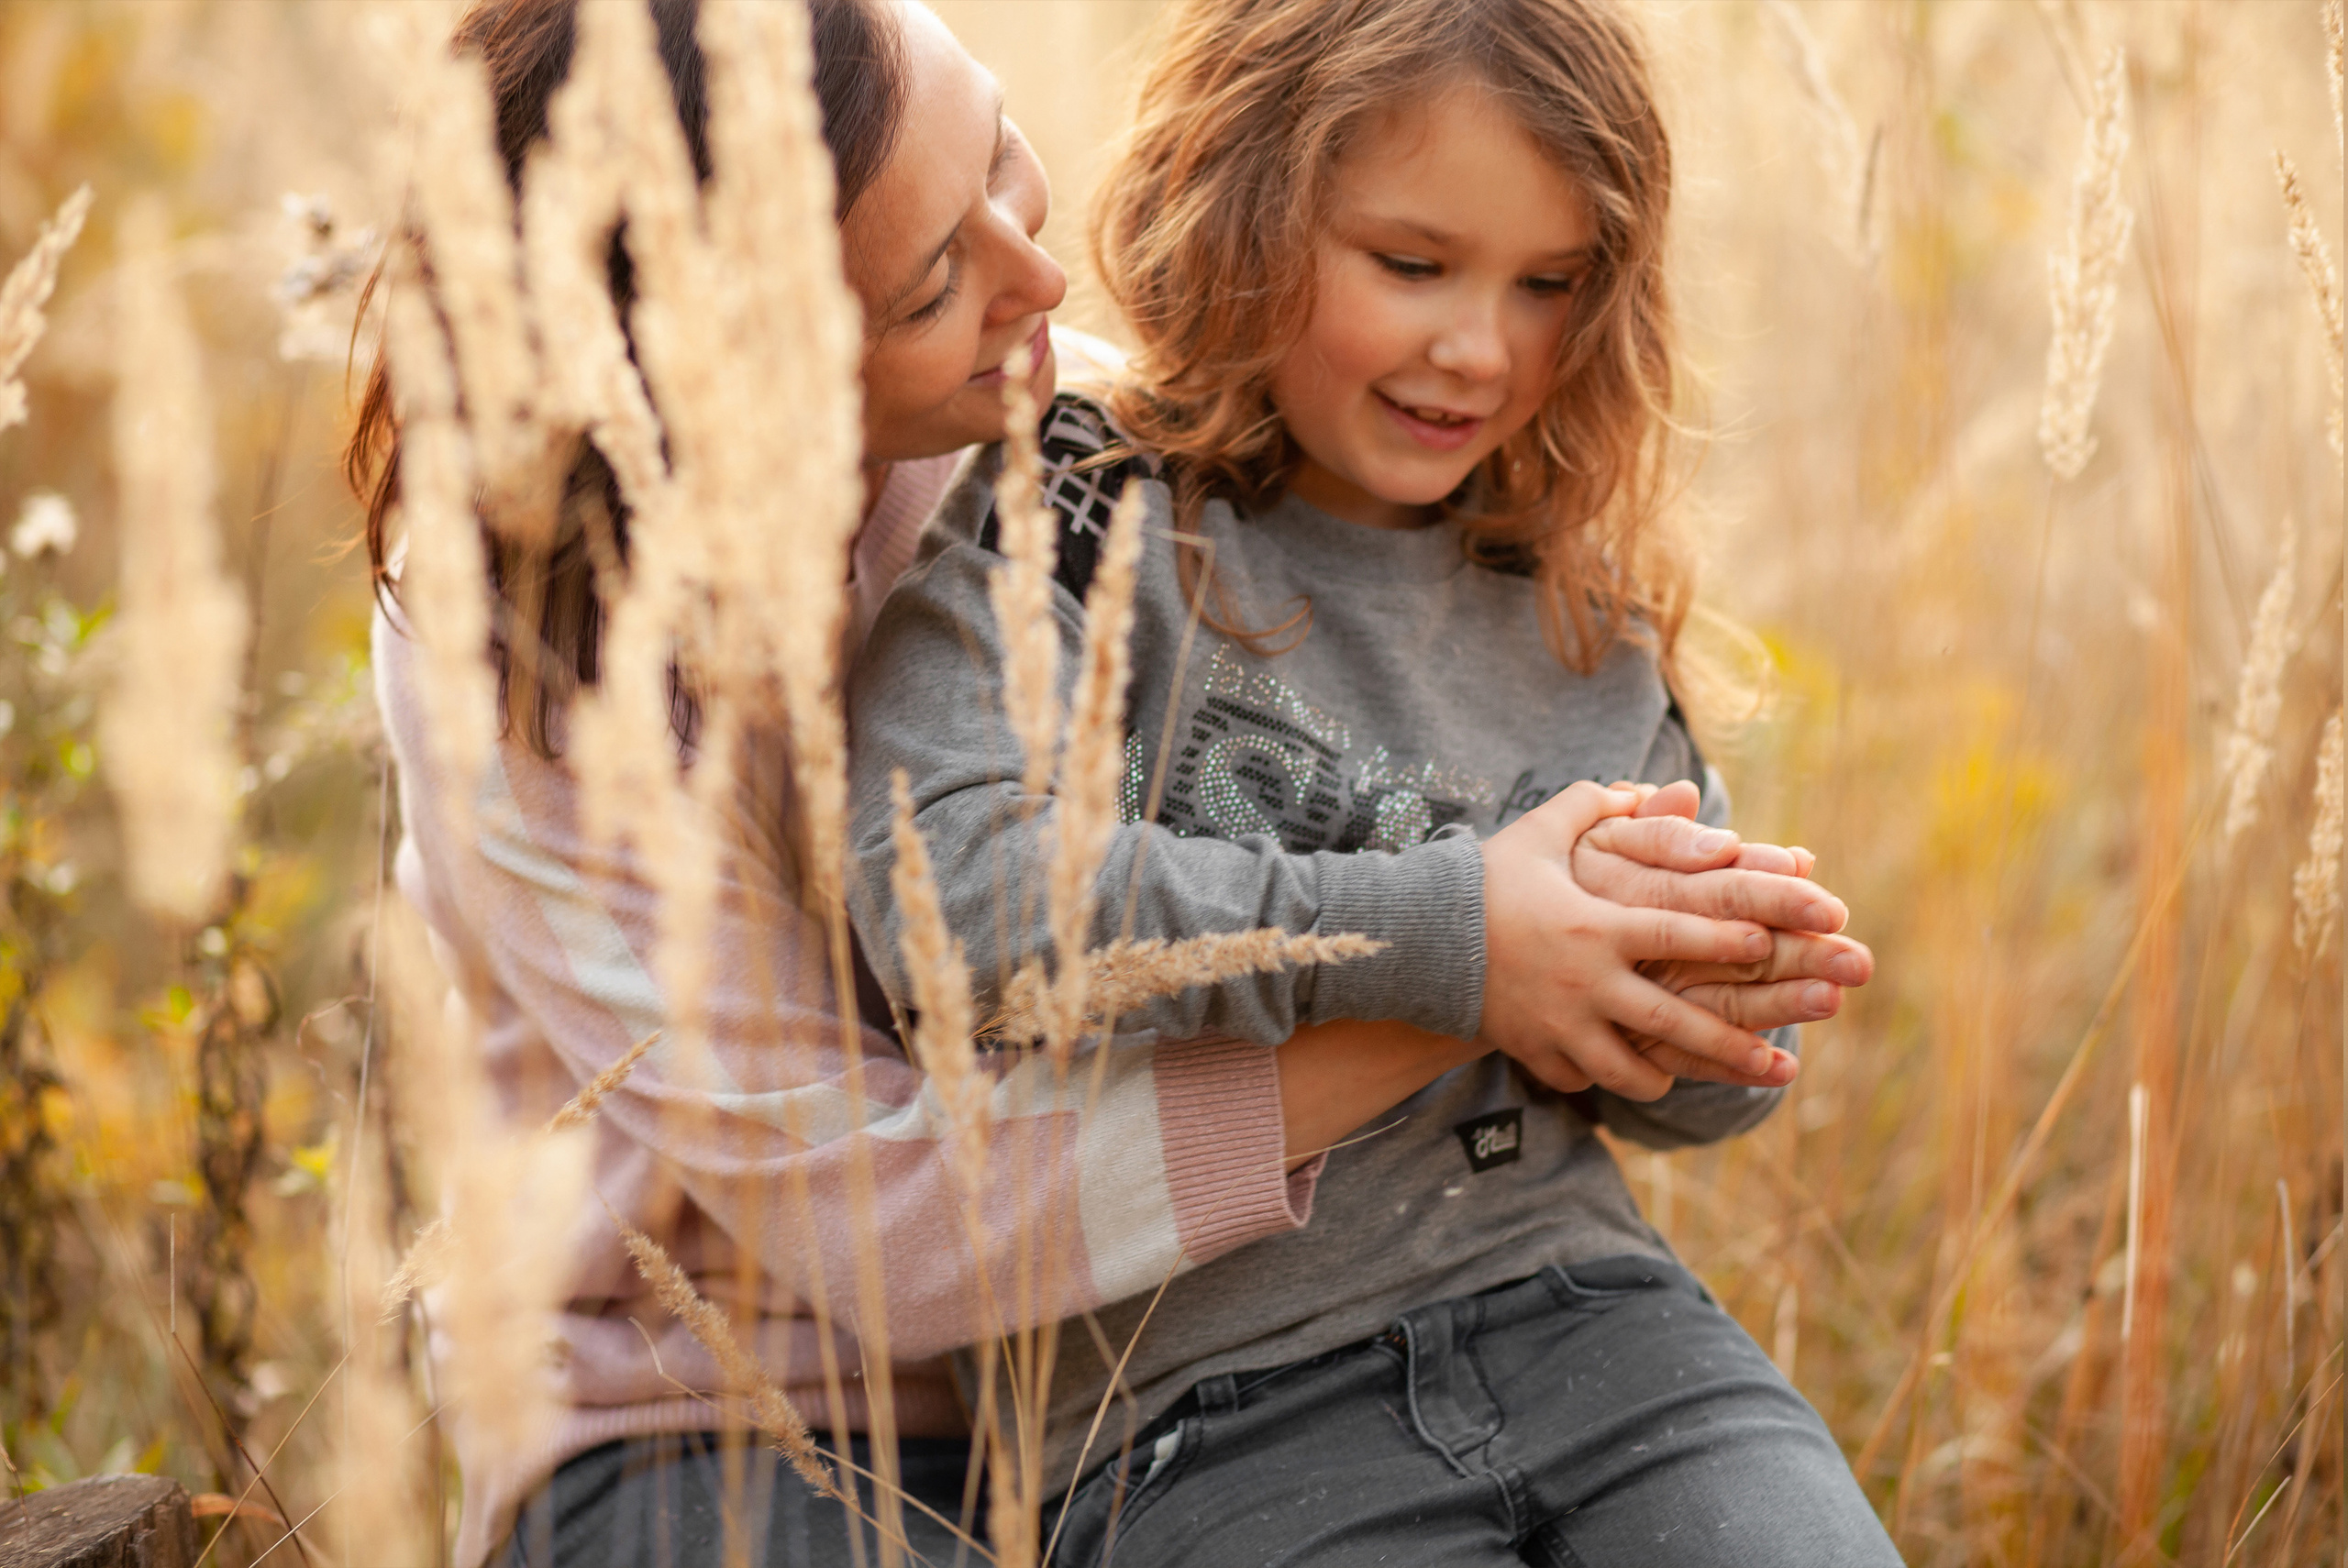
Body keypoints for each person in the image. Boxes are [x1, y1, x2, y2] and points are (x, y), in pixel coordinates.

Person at [359, 1, 1866, 1563]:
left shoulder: (1101, 434)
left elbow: (1668, 1065)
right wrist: (1472, 954)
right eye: (937, 278)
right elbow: (904, 1211)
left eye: (1006, 164)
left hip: (1528, 1325)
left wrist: (1687, 971)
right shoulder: (534, 667)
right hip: (724, 1410)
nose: (1047, 284)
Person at [844, 0, 1899, 1562]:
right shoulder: (1072, 512)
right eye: (1413, 265)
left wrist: (1696, 994)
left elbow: (1682, 1121)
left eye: (1549, 285)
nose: (1480, 348)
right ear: (1248, 213)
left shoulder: (1580, 615)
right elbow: (960, 906)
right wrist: (1457, 936)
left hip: (1606, 1337)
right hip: (1191, 1418)